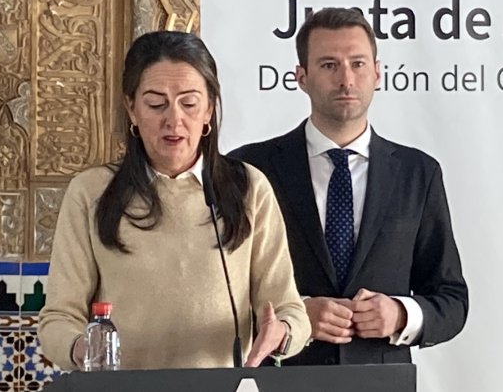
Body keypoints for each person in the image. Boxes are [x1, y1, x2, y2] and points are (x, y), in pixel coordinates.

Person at [39, 31, 308, 370]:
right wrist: (84, 349)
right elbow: (58, 319)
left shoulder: (248, 187)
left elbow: (290, 311)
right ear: (131, 109)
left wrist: (281, 333)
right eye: (156, 104)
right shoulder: (92, 192)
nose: (174, 119)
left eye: (189, 103)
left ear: (209, 109)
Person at [229, 8, 468, 365]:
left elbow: (451, 300)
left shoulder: (418, 173)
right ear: (301, 77)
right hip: (281, 380)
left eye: (358, 64)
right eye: (328, 65)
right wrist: (295, 317)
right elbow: (218, 293)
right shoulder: (248, 169)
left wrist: (401, 316)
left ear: (377, 73)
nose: (346, 79)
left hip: (381, 383)